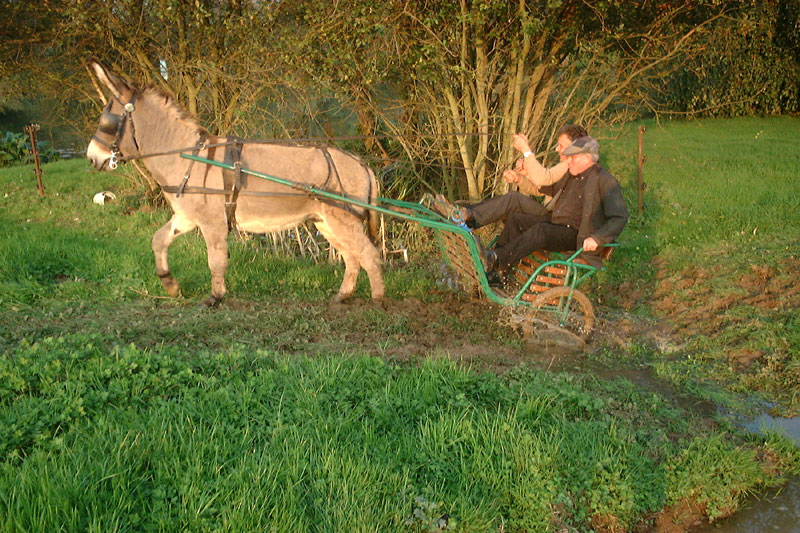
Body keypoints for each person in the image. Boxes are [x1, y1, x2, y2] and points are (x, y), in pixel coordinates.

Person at [478, 136, 628, 277]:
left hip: (576, 234)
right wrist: (524, 176)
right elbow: (550, 188)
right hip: (556, 224)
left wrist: (597, 239)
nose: (568, 161)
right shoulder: (572, 174)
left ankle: (496, 258)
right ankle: (496, 273)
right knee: (516, 219)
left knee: (542, 230)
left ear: (587, 158)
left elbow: (619, 217)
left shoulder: (605, 181)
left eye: (572, 157)